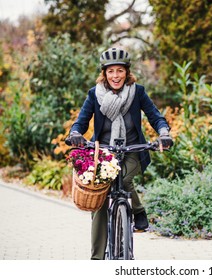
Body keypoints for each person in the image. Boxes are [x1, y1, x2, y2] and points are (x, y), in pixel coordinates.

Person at [68, 47, 173, 260]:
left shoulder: (138, 92)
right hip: (104, 153)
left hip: (131, 150)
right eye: (111, 71)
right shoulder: (94, 94)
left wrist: (163, 133)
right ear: (104, 74)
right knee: (99, 200)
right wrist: (76, 133)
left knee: (123, 178)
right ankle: (97, 258)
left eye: (120, 71)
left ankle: (136, 209)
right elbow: (82, 120)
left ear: (127, 72)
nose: (115, 76)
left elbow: (156, 117)